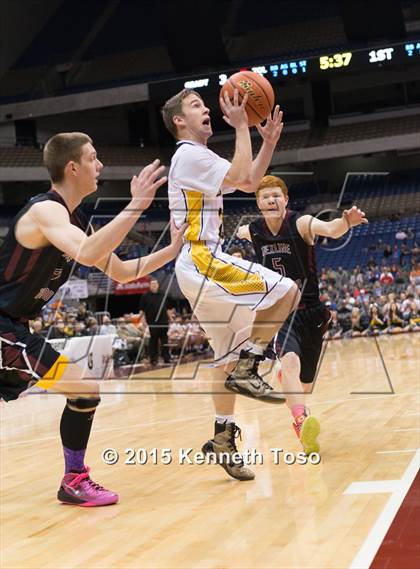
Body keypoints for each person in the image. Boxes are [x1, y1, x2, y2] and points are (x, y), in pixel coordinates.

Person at [0, 132, 186, 506]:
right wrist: (135, 207)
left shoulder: (75, 219)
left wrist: (172, 249)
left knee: (84, 388)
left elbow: (119, 270)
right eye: (93, 158)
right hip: (3, 326)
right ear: (72, 167)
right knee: (84, 386)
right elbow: (86, 254)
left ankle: (74, 479)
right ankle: (74, 480)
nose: (100, 165)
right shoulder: (46, 210)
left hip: (14, 326)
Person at [162, 89, 299, 481]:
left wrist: (266, 142)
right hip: (203, 258)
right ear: (179, 121)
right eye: (196, 106)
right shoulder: (189, 155)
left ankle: (222, 437)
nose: (206, 109)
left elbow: (249, 180)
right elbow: (242, 176)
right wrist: (242, 127)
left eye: (205, 105)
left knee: (225, 358)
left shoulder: (196, 159)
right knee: (286, 290)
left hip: (196, 264)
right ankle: (251, 364)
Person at [236, 175, 368, 455]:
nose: (271, 200)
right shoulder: (252, 230)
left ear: (286, 200)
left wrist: (346, 222)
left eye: (276, 196)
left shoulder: (301, 223)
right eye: (265, 197)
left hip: (312, 313)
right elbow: (240, 233)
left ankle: (297, 401)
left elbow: (331, 229)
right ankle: (300, 421)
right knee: (290, 363)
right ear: (258, 203)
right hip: (281, 313)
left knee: (304, 384)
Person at [138, 278, 171, 365]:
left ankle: (166, 357)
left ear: (158, 285)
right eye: (152, 284)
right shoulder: (145, 296)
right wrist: (142, 320)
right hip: (152, 322)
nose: (154, 285)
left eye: (155, 284)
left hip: (164, 321)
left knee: (165, 340)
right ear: (149, 285)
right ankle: (153, 359)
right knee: (154, 341)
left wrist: (170, 317)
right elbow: (141, 310)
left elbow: (167, 308)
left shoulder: (163, 294)